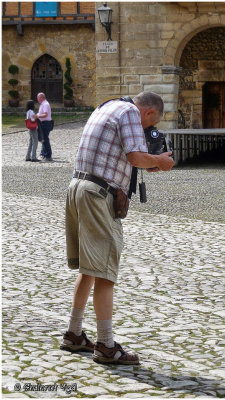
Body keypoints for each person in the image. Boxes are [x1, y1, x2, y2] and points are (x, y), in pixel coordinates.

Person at [60, 92, 175, 365]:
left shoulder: (107, 106)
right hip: (99, 194)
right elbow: (135, 157)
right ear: (148, 113)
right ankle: (106, 346)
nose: (148, 129)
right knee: (105, 272)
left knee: (90, 267)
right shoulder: (131, 114)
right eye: (151, 124)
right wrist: (160, 160)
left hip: (78, 187)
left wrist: (150, 162)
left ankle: (74, 334)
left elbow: (125, 156)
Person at [34, 93, 53, 162]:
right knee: (44, 139)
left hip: (46, 123)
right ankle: (44, 154)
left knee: (45, 140)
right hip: (43, 123)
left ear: (41, 97)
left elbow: (45, 114)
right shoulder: (43, 104)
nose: (37, 99)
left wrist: (37, 116)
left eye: (38, 98)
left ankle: (48, 156)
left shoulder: (45, 104)